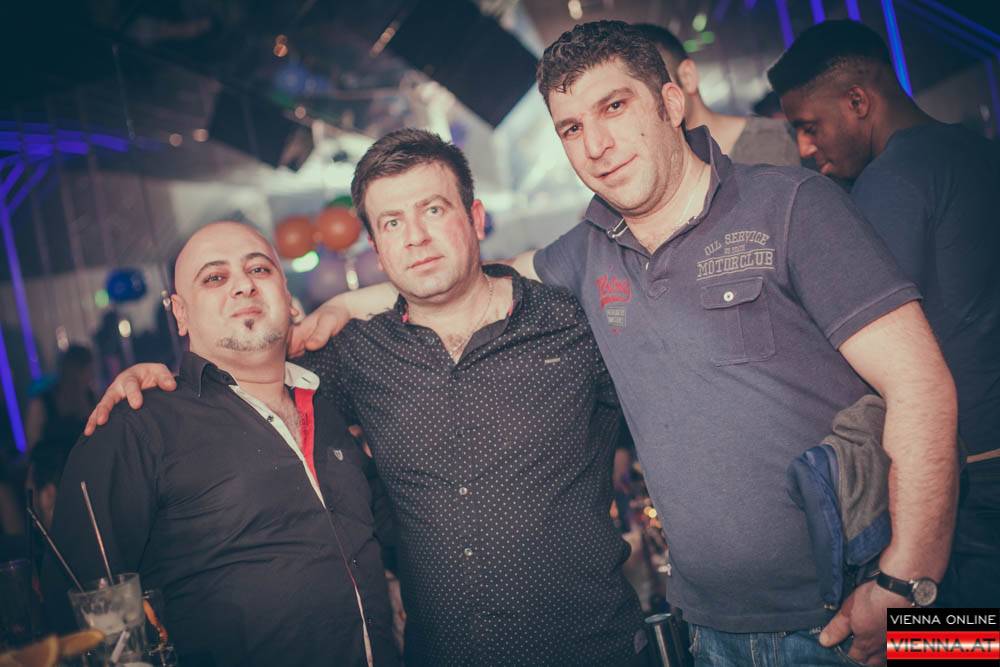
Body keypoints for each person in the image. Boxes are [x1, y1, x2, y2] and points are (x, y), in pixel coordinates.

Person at [286, 21, 957, 666]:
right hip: (714, 630)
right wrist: (344, 303)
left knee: (973, 642)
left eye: (614, 107)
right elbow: (470, 277)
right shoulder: (587, 254)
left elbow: (923, 386)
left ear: (671, 102)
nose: (598, 144)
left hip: (873, 604)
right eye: (572, 128)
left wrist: (908, 586)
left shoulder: (794, 203)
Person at [87, 131, 647, 666]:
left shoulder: (572, 323)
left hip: (595, 650)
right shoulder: (351, 356)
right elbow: (246, 369)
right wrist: (163, 379)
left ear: (475, 218)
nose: (415, 237)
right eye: (392, 223)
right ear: (377, 249)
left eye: (433, 210)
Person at [44, 222, 396, 667]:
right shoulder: (136, 426)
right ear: (180, 313)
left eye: (259, 269)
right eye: (214, 277)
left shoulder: (328, 407)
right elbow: (73, 613)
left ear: (287, 297)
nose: (243, 285)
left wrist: (343, 303)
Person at [769, 19, 1000, 608]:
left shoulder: (889, 180)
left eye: (809, 126)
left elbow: (854, 344)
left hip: (970, 478)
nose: (805, 148)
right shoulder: (979, 151)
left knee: (950, 641)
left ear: (857, 101)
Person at [633, 23, 800, 166]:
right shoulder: (654, 170)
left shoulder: (778, 142)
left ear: (687, 76)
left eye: (654, 88)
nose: (647, 105)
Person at [24, 345, 96, 450]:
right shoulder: (43, 403)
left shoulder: (91, 396)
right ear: (77, 371)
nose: (92, 376)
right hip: (53, 460)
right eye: (89, 370)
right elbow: (33, 444)